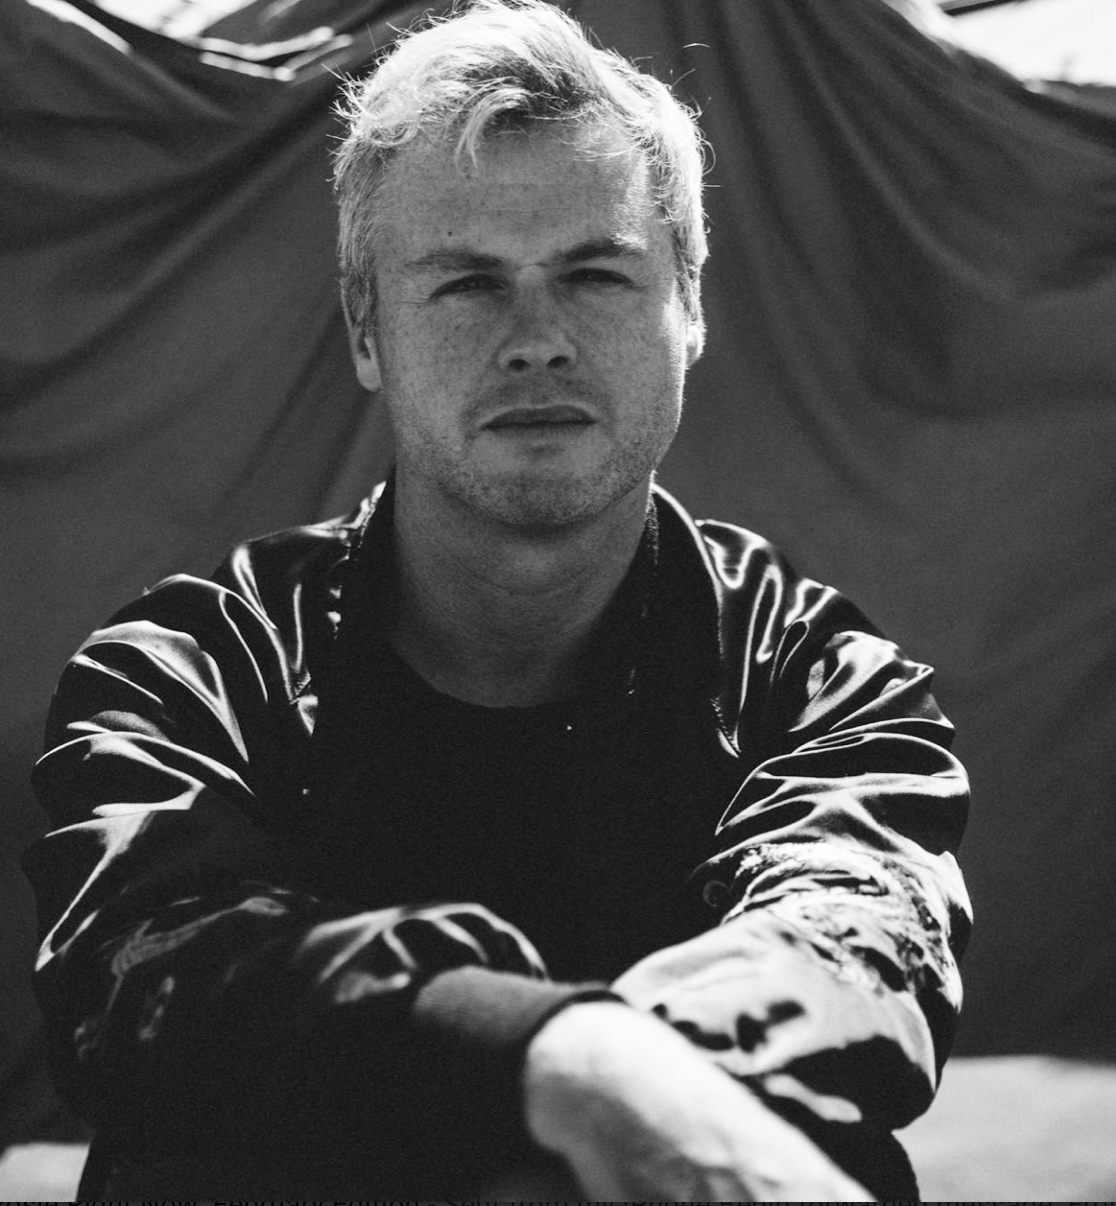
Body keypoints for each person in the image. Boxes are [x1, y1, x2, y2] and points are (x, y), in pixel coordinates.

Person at [22, 0, 971, 1199]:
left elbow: (855, 946)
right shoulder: (188, 668)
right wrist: (554, 1063)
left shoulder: (823, 679)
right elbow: (147, 972)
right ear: (367, 329)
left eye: (596, 273)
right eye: (468, 284)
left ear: (688, 306)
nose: (537, 340)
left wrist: (618, 1088)